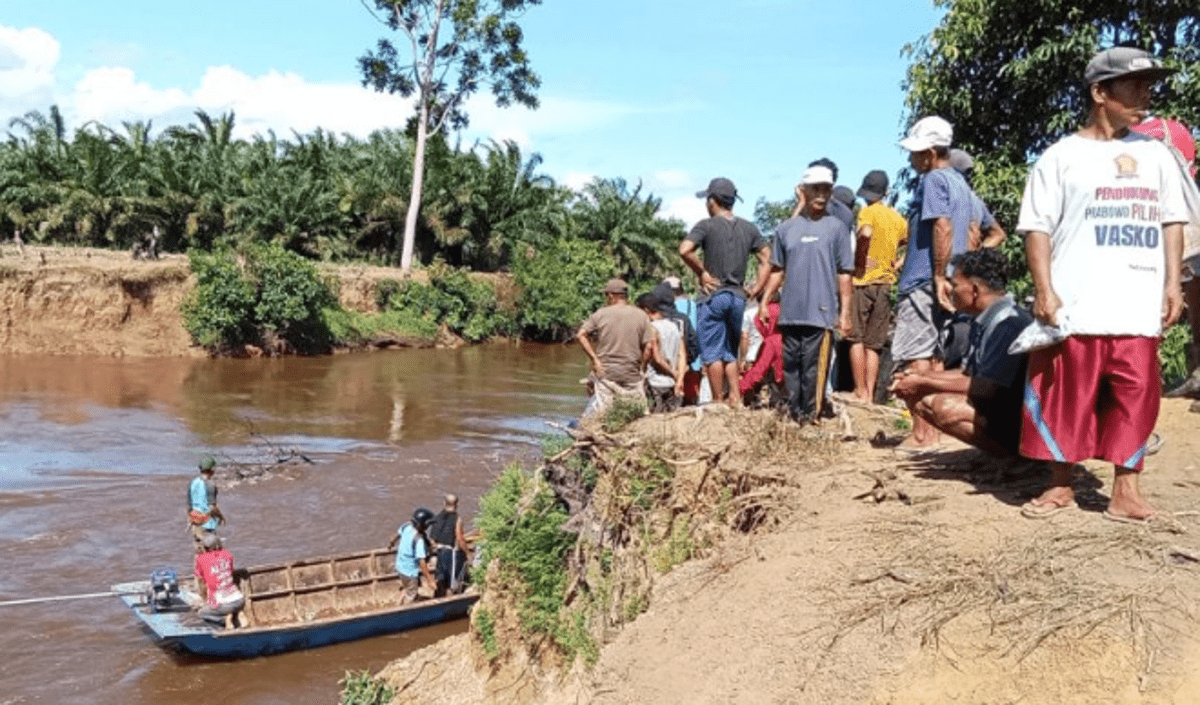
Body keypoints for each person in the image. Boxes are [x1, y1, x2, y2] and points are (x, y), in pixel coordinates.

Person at [1017, 47, 1187, 521]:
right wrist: (1045, 289)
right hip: (1077, 304)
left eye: (1150, 85)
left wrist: (1173, 283)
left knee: (1136, 395)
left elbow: (1172, 222)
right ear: (1099, 92)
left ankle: (1126, 490)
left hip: (1136, 303)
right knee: (1066, 393)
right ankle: (1059, 485)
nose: (1146, 95)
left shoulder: (1156, 155)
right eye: (1134, 85)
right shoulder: (1060, 157)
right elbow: (1038, 228)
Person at [892, 249, 1033, 458]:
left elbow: (986, 387)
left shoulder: (1007, 324)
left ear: (974, 290)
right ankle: (1000, 455)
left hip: (1021, 419)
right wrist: (918, 377)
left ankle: (1018, 458)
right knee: (923, 401)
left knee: (945, 408)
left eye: (955, 284)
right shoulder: (982, 319)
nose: (950, 290)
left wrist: (923, 381)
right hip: (1001, 409)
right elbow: (967, 374)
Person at [891, 115, 976, 449]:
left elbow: (942, 226)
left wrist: (938, 274)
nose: (912, 159)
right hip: (945, 280)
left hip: (922, 281)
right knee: (936, 355)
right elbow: (972, 231)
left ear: (929, 152)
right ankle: (936, 430)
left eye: (915, 153)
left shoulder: (932, 181)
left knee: (915, 355)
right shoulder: (960, 184)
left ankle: (922, 433)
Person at [760, 165, 853, 423]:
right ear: (804, 190)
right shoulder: (786, 229)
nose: (821, 194)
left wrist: (844, 313)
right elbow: (777, 268)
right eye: (816, 188)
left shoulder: (837, 228)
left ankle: (811, 416)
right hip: (791, 312)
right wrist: (765, 301)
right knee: (791, 365)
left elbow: (845, 272)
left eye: (827, 189)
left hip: (821, 313)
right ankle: (793, 413)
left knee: (814, 368)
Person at [680, 177, 771, 407]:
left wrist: (701, 272)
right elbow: (767, 258)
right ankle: (735, 397)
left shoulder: (706, 225)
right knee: (730, 351)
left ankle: (718, 400)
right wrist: (757, 288)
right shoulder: (749, 228)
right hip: (738, 298)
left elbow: (685, 250)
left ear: (713, 201)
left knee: (712, 352)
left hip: (713, 295)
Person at [1132, 116, 1200, 402]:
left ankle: (1145, 382)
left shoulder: (1129, 136)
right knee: (1195, 297)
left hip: (1146, 221)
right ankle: (1196, 373)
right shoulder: (1175, 131)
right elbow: (1190, 170)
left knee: (1149, 304)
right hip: (1187, 222)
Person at [847, 170, 908, 403]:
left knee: (856, 338)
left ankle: (859, 391)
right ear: (886, 192)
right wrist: (898, 263)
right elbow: (909, 239)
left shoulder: (867, 212)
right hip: (885, 283)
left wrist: (859, 261)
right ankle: (870, 394)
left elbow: (866, 233)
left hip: (863, 282)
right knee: (875, 344)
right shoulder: (896, 217)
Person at [576, 278, 653, 419]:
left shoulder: (600, 314)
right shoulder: (641, 315)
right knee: (636, 414)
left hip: (606, 373)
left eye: (606, 295)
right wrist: (642, 368)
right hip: (631, 375)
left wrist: (595, 360)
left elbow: (581, 335)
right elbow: (649, 347)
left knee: (601, 411)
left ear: (611, 295)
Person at [637, 293, 686, 412]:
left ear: (646, 310)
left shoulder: (652, 328)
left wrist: (641, 370)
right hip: (671, 384)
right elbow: (682, 355)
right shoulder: (674, 327)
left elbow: (656, 357)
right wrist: (679, 379)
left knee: (655, 417)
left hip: (655, 383)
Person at [193, 533, 245, 626]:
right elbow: (231, 571)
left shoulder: (201, 559)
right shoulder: (227, 553)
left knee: (202, 613)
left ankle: (221, 623)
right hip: (239, 600)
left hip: (225, 605)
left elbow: (201, 579)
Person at [389, 507, 436, 603]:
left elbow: (395, 536)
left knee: (408, 587)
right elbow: (422, 562)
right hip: (409, 572)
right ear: (423, 526)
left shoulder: (406, 526)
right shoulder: (419, 541)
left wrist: (390, 544)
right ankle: (405, 608)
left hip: (399, 566)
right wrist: (430, 580)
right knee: (412, 595)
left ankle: (405, 592)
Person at [427, 495, 471, 595]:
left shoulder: (437, 517)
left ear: (444, 503)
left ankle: (438, 599)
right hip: (451, 554)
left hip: (439, 553)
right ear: (456, 504)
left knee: (441, 580)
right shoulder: (457, 519)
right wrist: (468, 553)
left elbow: (432, 540)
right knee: (452, 583)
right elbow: (460, 539)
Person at [187, 457, 225, 553]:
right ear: (211, 470)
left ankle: (198, 568)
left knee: (199, 550)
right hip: (207, 523)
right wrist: (221, 517)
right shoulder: (210, 485)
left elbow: (189, 505)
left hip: (195, 521)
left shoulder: (192, 483)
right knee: (210, 551)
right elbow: (212, 507)